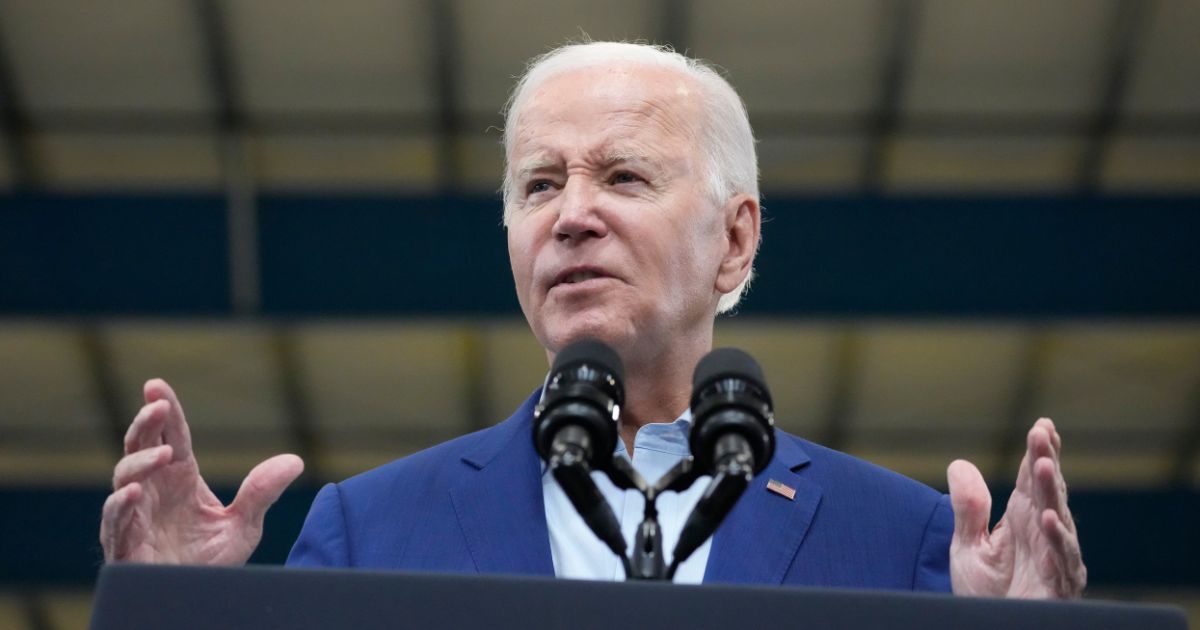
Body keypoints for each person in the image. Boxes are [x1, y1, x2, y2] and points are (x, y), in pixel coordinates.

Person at [100, 41, 1086, 597]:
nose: (572, 213)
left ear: (735, 242)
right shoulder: (368, 529)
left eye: (623, 175)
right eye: (538, 185)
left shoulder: (904, 539)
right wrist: (164, 616)